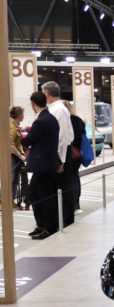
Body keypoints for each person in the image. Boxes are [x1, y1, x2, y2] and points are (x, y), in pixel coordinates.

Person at [21, 92, 61, 239]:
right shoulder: (50, 118)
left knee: (40, 195)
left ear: (33, 103)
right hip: (48, 163)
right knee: (38, 194)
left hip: (42, 164)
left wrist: (19, 136)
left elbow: (28, 140)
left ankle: (47, 227)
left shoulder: (41, 121)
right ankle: (42, 225)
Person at [41, 81, 72, 170]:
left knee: (61, 182)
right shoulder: (55, 108)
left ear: (46, 94)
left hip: (59, 153)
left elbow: (62, 136)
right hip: (56, 152)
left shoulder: (59, 110)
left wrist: (59, 159)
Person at [61, 101, 84, 215]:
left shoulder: (65, 121)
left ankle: (69, 204)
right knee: (75, 177)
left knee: (67, 179)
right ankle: (76, 204)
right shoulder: (78, 120)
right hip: (78, 153)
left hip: (68, 153)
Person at [8, 106, 28, 210]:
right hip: (10, 156)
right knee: (9, 179)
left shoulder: (16, 125)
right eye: (23, 114)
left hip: (16, 156)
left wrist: (22, 152)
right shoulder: (11, 126)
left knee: (15, 180)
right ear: (19, 115)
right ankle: (3, 201)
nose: (23, 116)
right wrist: (20, 155)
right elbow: (10, 145)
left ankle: (10, 201)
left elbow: (18, 142)